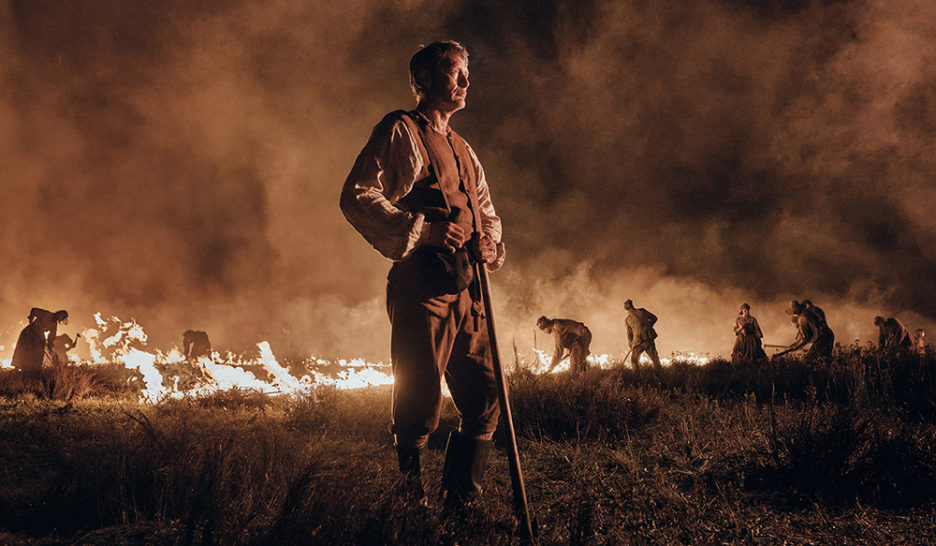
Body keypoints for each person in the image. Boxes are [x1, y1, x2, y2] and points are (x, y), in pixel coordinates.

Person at [340, 41, 505, 507]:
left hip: (469, 290)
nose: (466, 82)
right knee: (418, 401)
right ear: (426, 79)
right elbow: (357, 194)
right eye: (456, 72)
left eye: (467, 73)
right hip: (422, 289)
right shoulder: (402, 130)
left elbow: (485, 209)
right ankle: (410, 505)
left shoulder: (463, 147)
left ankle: (459, 501)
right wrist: (425, 232)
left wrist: (489, 243)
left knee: (487, 394)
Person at [11, 308, 68, 381]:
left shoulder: (54, 324)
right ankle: (20, 370)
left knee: (38, 353)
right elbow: (34, 310)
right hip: (29, 332)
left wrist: (50, 344)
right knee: (25, 350)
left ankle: (33, 372)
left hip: (38, 336)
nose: (62, 319)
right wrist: (31, 318)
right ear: (59, 314)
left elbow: (52, 335)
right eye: (62, 317)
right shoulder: (47, 314)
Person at [623, 299, 662, 372]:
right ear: (632, 306)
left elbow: (629, 335)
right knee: (655, 358)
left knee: (634, 361)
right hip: (649, 338)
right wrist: (649, 326)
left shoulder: (627, 319)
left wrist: (631, 345)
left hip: (638, 342)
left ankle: (636, 379)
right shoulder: (642, 311)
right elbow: (654, 318)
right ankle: (660, 375)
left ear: (626, 310)